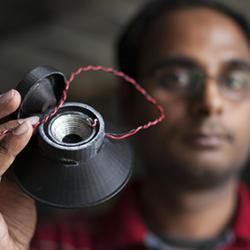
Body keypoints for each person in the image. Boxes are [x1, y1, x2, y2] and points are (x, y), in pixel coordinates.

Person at [0, 0, 249, 249]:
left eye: (235, 80)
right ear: (127, 101)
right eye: (176, 77)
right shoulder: (44, 243)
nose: (211, 102)